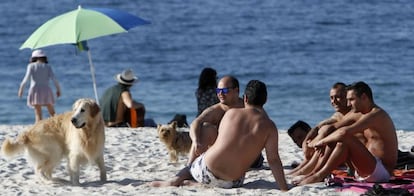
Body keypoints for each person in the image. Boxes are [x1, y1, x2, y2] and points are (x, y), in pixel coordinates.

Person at [150, 80, 289, 191]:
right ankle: (201, 184)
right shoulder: (270, 127)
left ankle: (179, 178)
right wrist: (284, 188)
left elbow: (222, 140)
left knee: (197, 162)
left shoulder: (231, 113)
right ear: (266, 100)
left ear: (245, 98)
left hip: (205, 171)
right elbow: (274, 160)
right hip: (232, 182)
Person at [299, 81, 398, 185]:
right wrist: (312, 141)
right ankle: (315, 172)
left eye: (351, 100)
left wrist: (321, 142)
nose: (348, 104)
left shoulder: (377, 115)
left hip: (381, 172)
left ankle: (320, 175)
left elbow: (344, 132)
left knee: (345, 138)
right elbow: (332, 127)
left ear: (364, 97)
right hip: (364, 169)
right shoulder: (359, 113)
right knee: (337, 138)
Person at [288, 82, 351, 176]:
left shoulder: (352, 114)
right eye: (331, 98)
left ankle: (308, 170)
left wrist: (315, 143)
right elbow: (318, 126)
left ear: (347, 96)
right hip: (341, 153)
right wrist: (306, 142)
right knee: (322, 137)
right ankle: (303, 168)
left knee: (327, 139)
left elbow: (328, 129)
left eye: (338, 97)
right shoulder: (338, 114)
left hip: (349, 155)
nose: (334, 101)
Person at [18, 49, 61, 123]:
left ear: (33, 58)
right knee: (51, 111)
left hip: (35, 90)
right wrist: (58, 90)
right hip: (46, 89)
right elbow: (54, 79)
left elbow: (26, 79)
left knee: (38, 113)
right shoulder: (47, 66)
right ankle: (58, 124)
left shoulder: (31, 66)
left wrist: (21, 90)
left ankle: (38, 126)